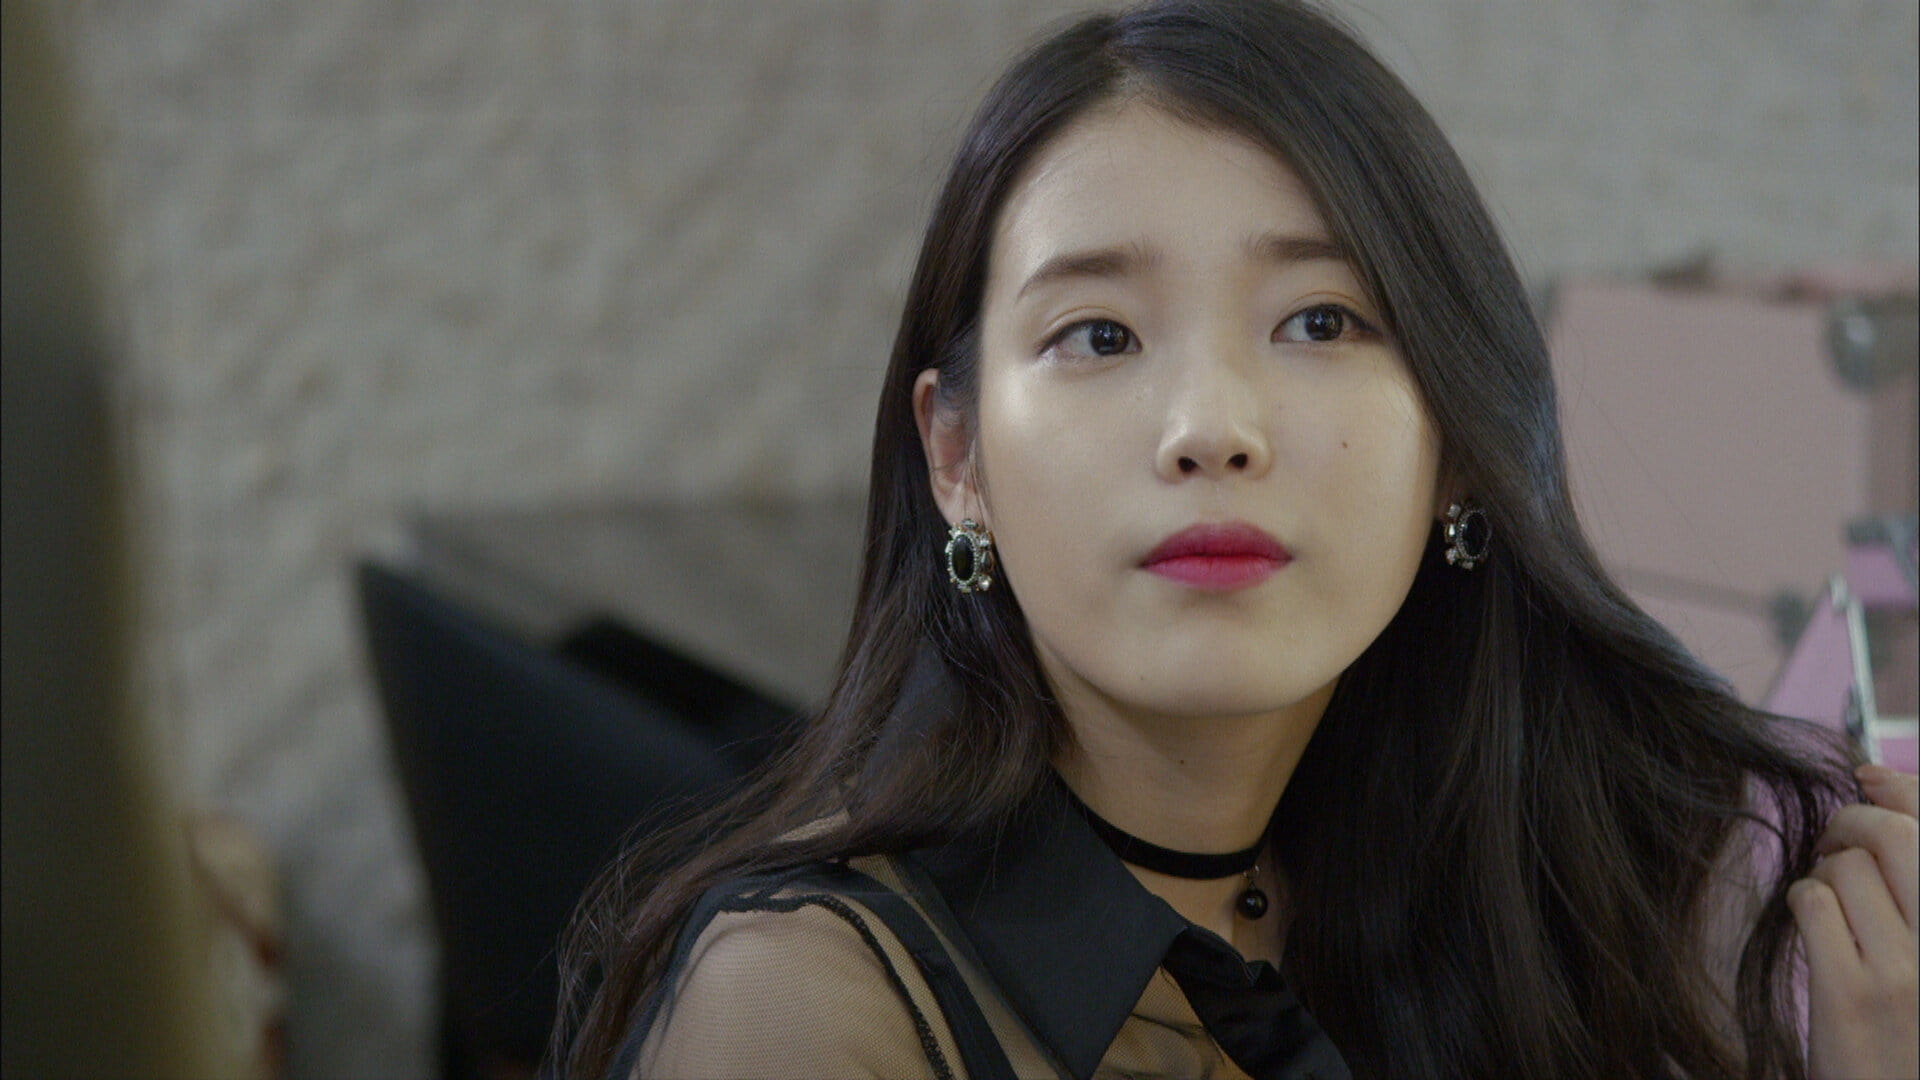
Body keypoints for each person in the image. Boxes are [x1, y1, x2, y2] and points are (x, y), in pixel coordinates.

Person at [549, 2, 1919, 1077]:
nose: (1212, 427)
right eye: (1099, 335)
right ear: (957, 459)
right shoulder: (803, 1007)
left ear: (1456, 446)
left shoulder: (1533, 906)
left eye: (1320, 322)